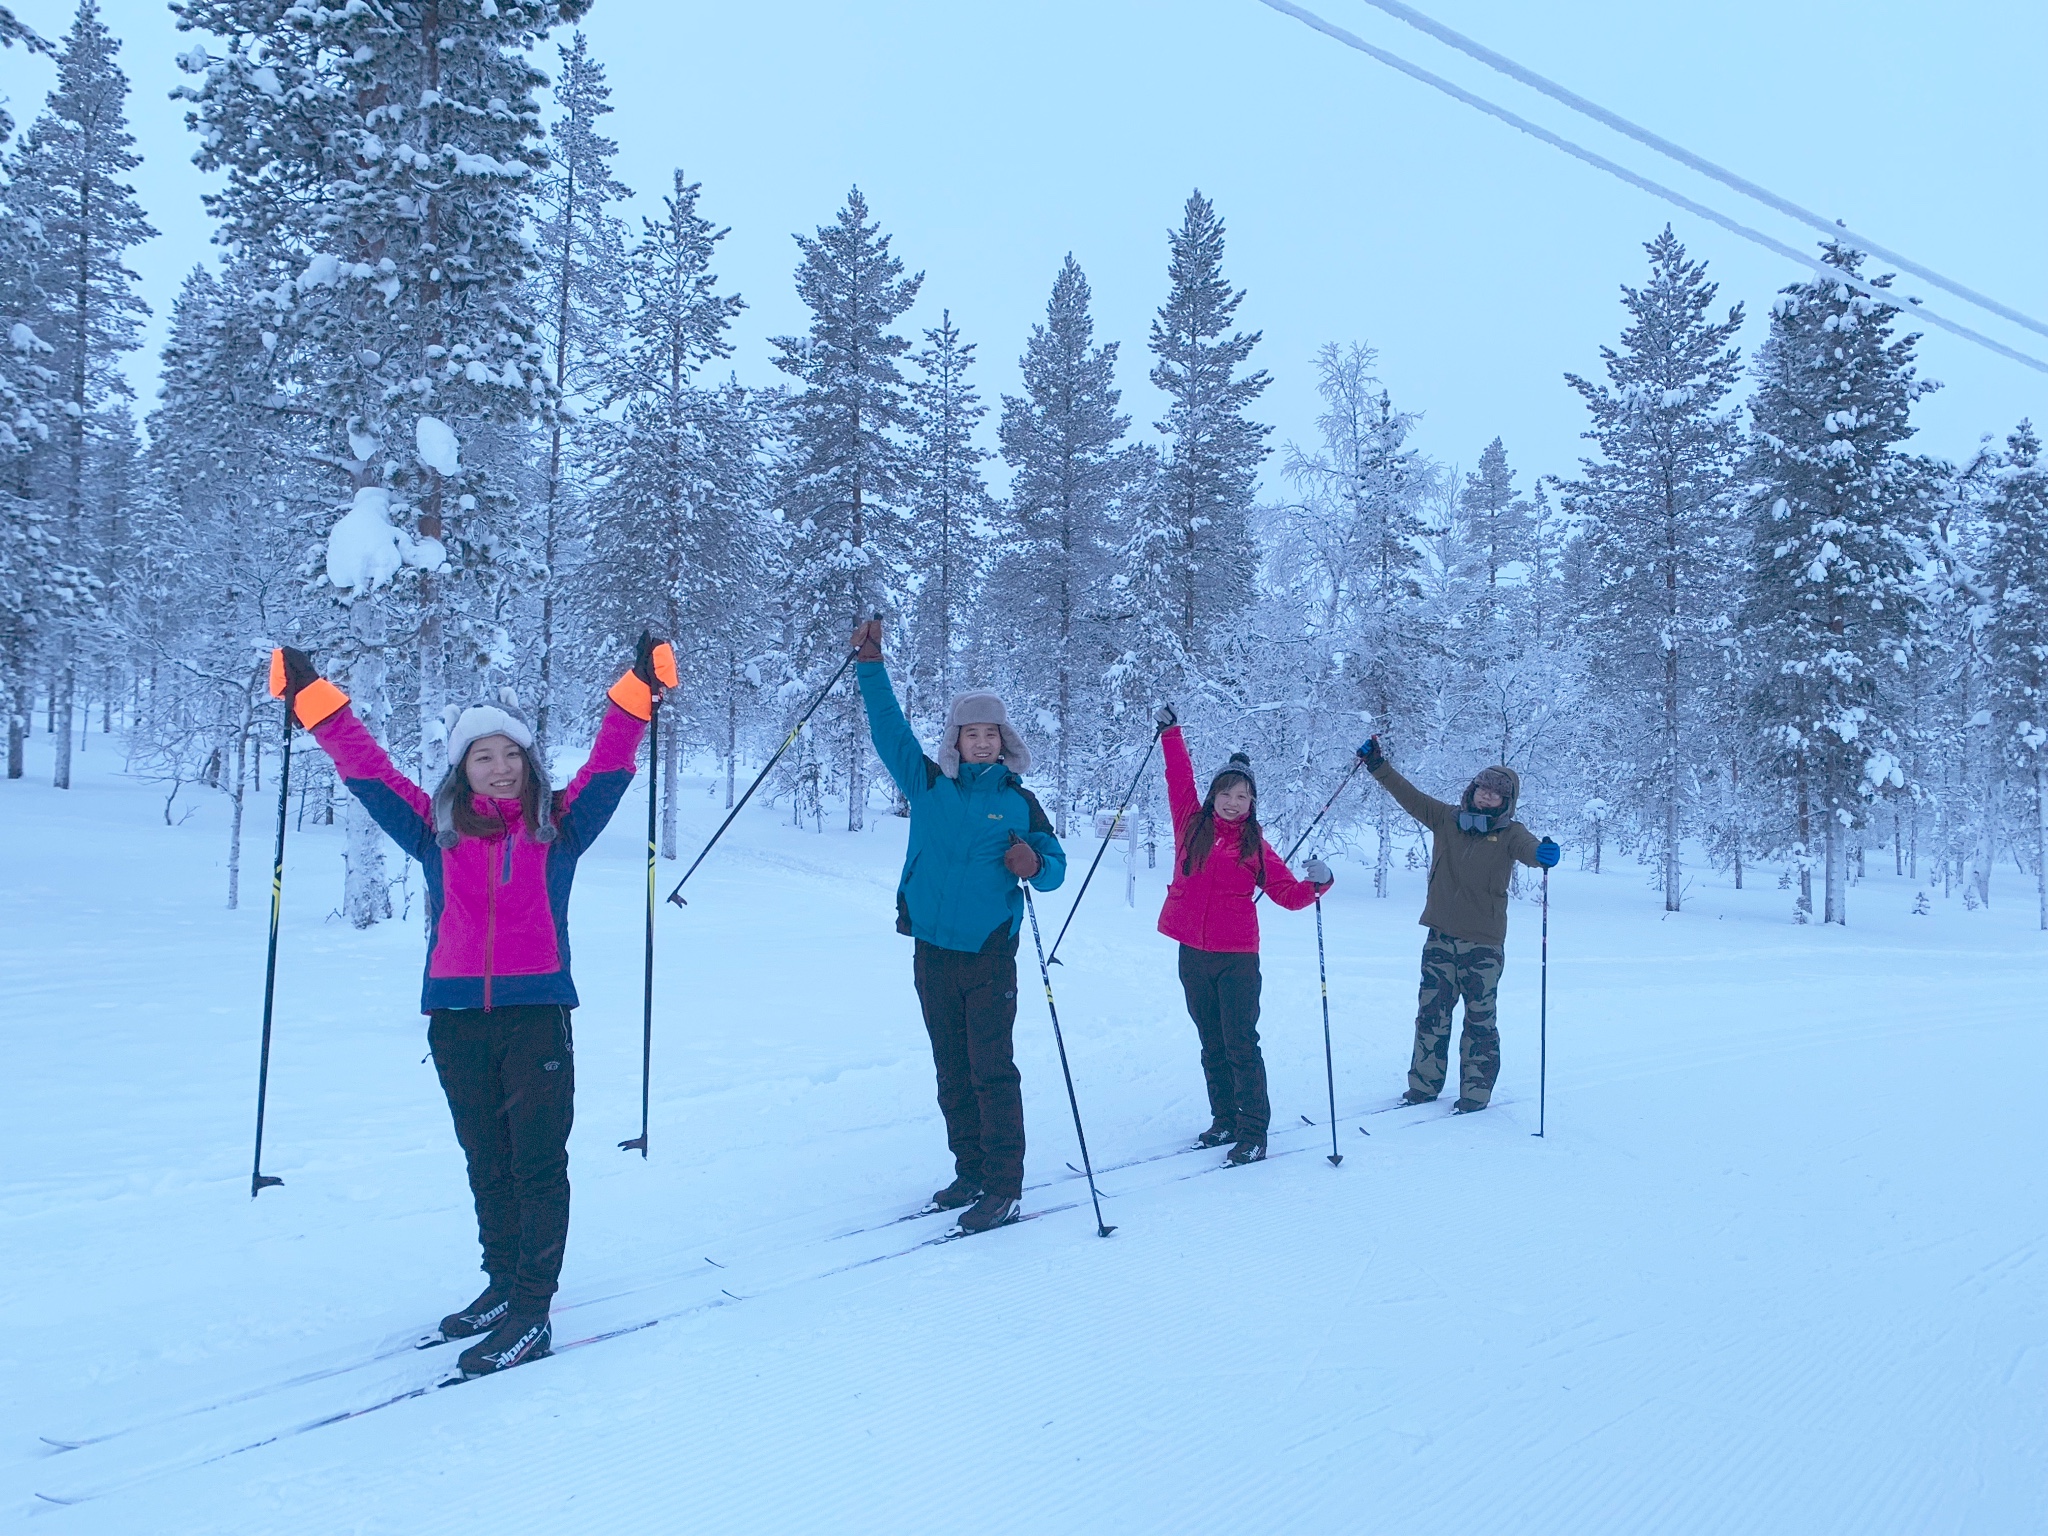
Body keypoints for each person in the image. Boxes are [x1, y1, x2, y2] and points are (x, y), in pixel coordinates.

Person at [269, 634, 676, 1377]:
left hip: (535, 1015)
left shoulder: (560, 827)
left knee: (536, 1163)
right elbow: (366, 769)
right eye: (484, 757)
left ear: (527, 766)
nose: (499, 768)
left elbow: (611, 764)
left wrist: (637, 690)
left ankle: (531, 1310)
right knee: (486, 1159)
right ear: (463, 768)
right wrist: (311, 698)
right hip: (456, 1019)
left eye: (511, 756)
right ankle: (500, 1285)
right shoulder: (434, 832)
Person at [851, 619, 1067, 1234]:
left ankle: (1004, 1187)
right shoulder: (929, 785)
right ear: (955, 739)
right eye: (970, 733)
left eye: (989, 734)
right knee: (951, 1066)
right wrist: (871, 665)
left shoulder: (1019, 801)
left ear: (1003, 742)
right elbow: (889, 730)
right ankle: (970, 1171)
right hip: (932, 951)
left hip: (989, 954)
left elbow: (1053, 869)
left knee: (991, 1068)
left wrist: (1034, 863)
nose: (980, 743)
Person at [1153, 706, 1332, 1165]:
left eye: (1243, 796)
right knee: (1210, 1040)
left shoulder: (1255, 845)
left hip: (1237, 958)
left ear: (1252, 804)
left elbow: (1287, 894)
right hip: (1192, 951)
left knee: (1240, 1043)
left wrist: (1319, 883)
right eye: (1227, 793)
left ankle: (1254, 1131)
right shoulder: (1190, 823)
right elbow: (1178, 776)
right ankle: (1225, 1120)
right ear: (1214, 795)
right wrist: (1171, 733)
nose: (1233, 802)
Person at [1362, 737, 1560, 1113]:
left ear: (1507, 801)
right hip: (1439, 936)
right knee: (1430, 1015)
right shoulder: (1446, 818)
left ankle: (1475, 1094)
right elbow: (1410, 796)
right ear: (1473, 789)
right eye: (1482, 788)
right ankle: (1423, 1086)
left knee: (1480, 1021)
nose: (1486, 797)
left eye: (1496, 794)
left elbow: (1530, 850)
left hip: (1483, 945)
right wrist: (1378, 767)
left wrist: (1542, 854)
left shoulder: (1510, 833)